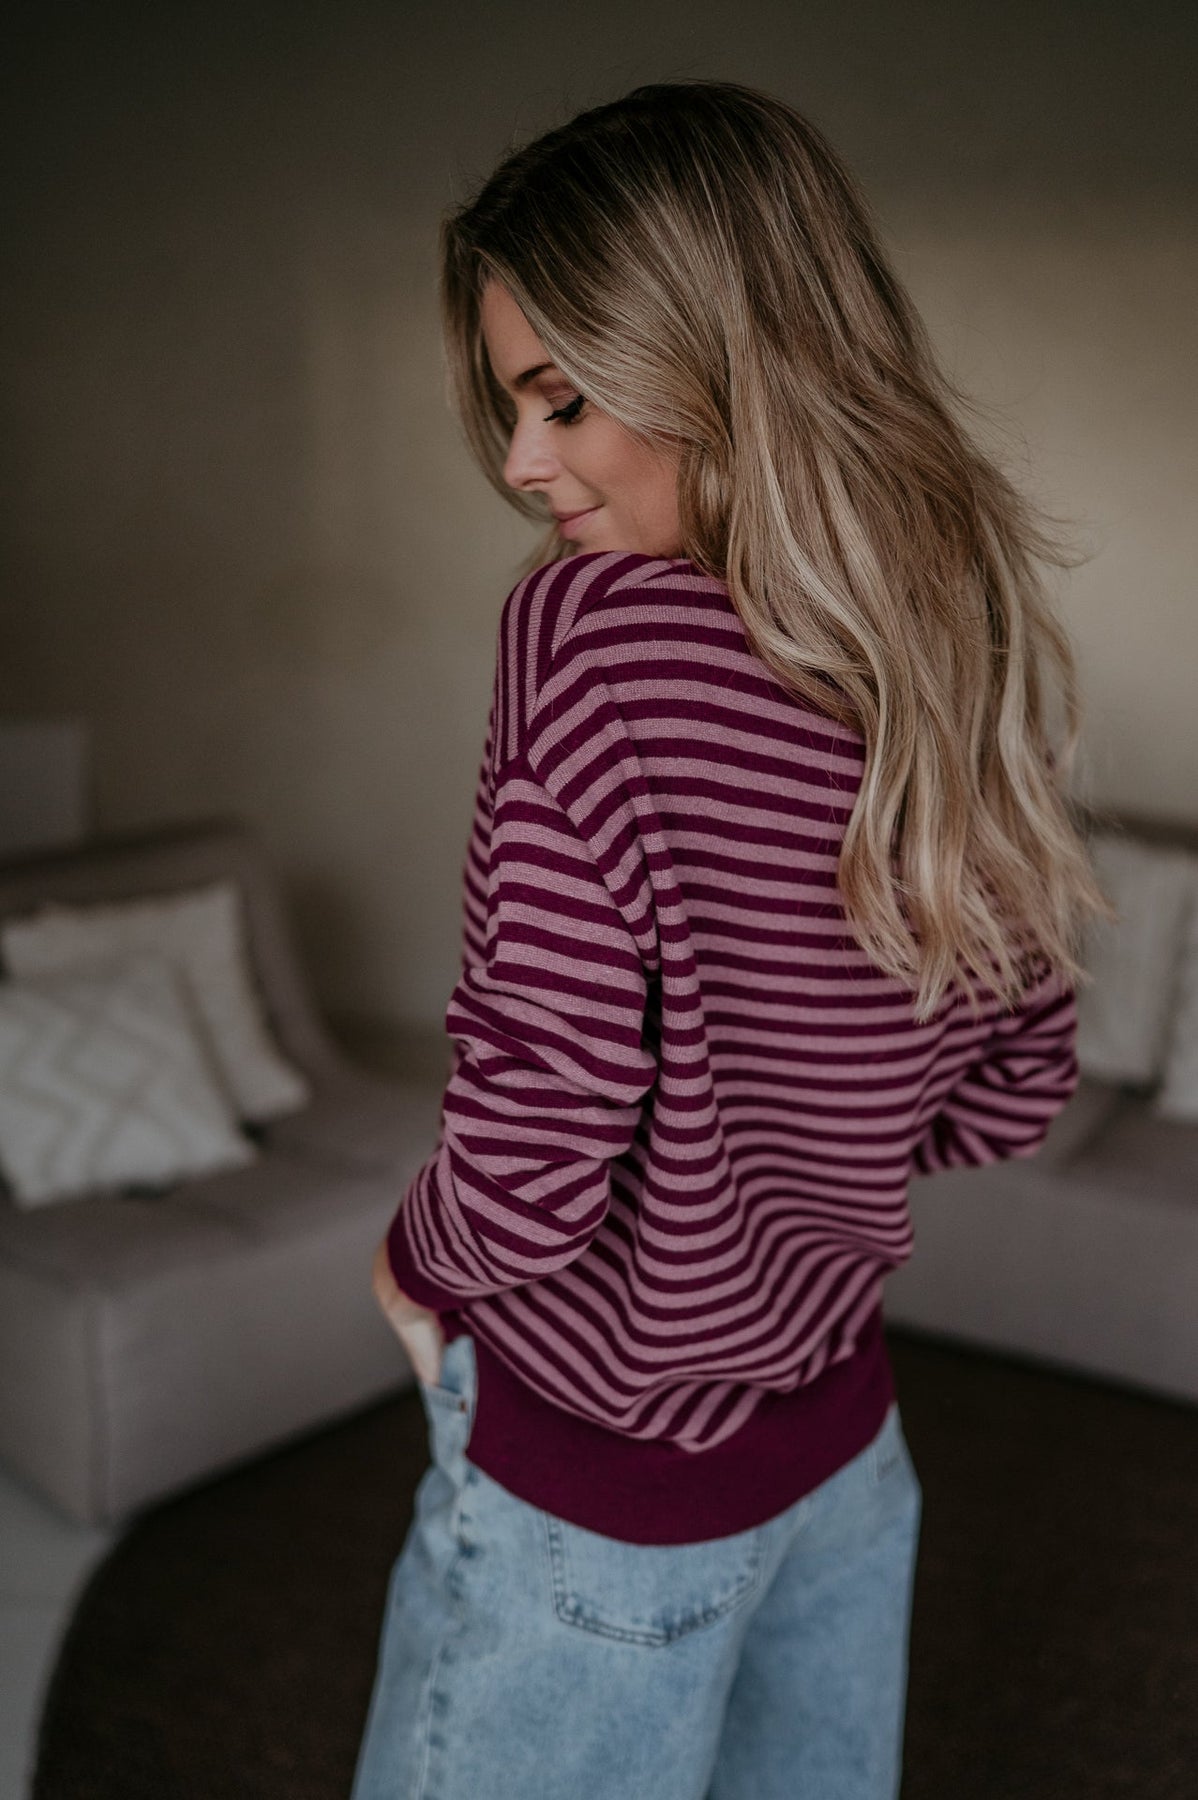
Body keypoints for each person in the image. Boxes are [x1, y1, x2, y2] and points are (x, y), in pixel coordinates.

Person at [351, 78, 1112, 1800]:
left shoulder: (589, 639)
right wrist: (796, 1135)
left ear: (727, 364)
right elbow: (1008, 1095)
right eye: (507, 404)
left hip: (600, 1497)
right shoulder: (963, 638)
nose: (519, 464)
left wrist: (413, 1255)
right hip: (846, 1455)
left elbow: (536, 1150)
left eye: (560, 397)